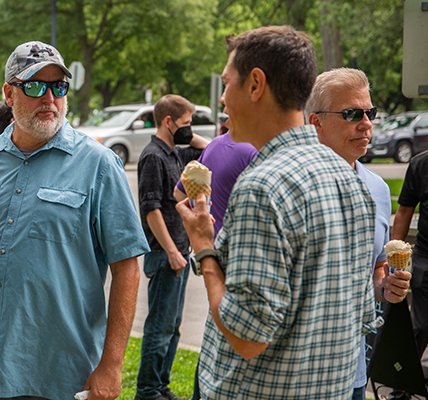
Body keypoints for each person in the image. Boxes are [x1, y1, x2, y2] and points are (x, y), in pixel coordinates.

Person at [0, 40, 150, 400]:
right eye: (34, 86)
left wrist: (112, 366)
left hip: (61, 378)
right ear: (9, 93)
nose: (49, 98)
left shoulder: (98, 164)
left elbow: (127, 267)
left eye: (58, 87)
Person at [176, 26, 379, 399]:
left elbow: (247, 337)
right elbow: (363, 313)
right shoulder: (350, 179)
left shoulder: (262, 188)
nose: (222, 100)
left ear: (256, 85)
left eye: (226, 84)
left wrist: (204, 248)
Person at [306, 67, 412, 400]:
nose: (365, 123)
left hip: (353, 369)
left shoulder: (378, 189)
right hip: (299, 373)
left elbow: (376, 269)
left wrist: (388, 288)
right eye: (352, 114)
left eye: (370, 113)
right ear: (316, 123)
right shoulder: (295, 186)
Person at [173, 129, 257, 400]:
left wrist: (202, 217)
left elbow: (179, 193)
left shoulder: (214, 147)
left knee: (213, 343)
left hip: (212, 256)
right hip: (239, 265)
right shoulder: (254, 151)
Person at [135, 94, 209, 400]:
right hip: (165, 254)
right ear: (168, 122)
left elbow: (208, 149)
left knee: (173, 326)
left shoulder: (175, 153)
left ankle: (161, 384)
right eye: (185, 124)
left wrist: (188, 134)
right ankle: (148, 390)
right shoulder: (153, 156)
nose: (188, 130)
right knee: (159, 326)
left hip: (178, 251)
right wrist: (173, 252)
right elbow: (151, 210)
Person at [392, 147, 428, 357]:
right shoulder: (420, 164)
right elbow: (405, 210)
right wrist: (394, 255)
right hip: (425, 257)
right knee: (420, 326)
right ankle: (403, 384)